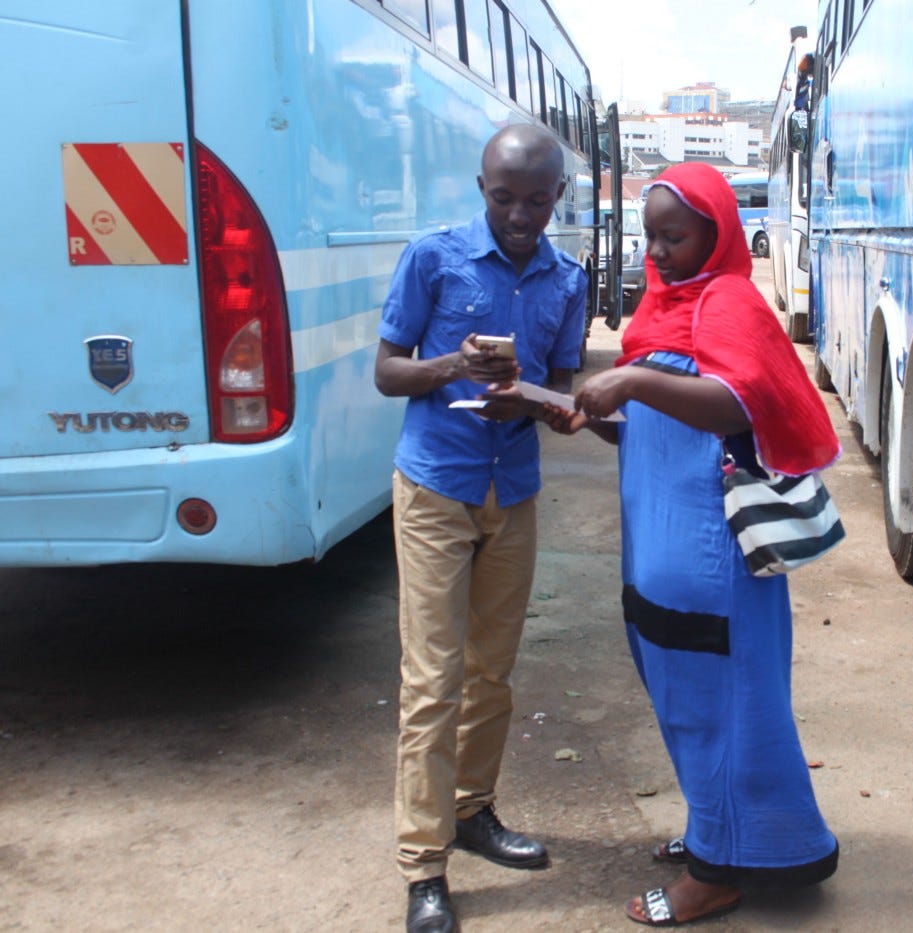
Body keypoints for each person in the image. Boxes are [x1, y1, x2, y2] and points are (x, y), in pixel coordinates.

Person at [559, 162, 842, 926]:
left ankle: (716, 873)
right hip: (659, 547)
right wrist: (585, 412)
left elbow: (735, 404)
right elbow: (653, 421)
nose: (657, 251)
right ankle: (723, 831)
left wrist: (630, 383)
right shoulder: (663, 304)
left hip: (712, 558)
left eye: (674, 237)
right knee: (686, 702)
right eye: (650, 236)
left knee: (722, 706)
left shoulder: (729, 300)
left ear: (715, 235)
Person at [374, 123, 587, 933]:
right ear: (481, 188)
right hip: (436, 486)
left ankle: (471, 808)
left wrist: (527, 400)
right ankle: (423, 866)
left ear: (558, 196)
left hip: (513, 491)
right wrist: (454, 367)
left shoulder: (568, 279)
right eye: (504, 199)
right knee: (433, 680)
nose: (520, 216)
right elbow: (387, 371)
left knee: (492, 672)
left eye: (536, 201)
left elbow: (566, 394)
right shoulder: (434, 258)